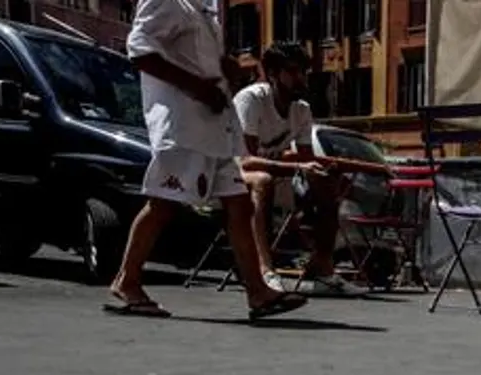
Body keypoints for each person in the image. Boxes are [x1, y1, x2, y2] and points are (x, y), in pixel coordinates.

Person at [106, 0, 307, 320]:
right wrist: (196, 86)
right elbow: (140, 49)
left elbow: (196, 59)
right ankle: (127, 281)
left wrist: (224, 67)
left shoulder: (203, 9)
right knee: (164, 204)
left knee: (240, 205)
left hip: (216, 130)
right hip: (184, 127)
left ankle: (258, 292)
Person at [234, 44, 361, 297]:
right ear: (272, 73)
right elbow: (245, 160)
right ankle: (264, 269)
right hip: (229, 174)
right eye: (292, 72)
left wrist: (327, 177)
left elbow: (306, 160)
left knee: (326, 181)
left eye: (303, 71)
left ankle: (323, 267)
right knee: (261, 180)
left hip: (274, 174)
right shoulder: (252, 99)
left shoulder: (301, 109)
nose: (300, 78)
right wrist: (298, 166)